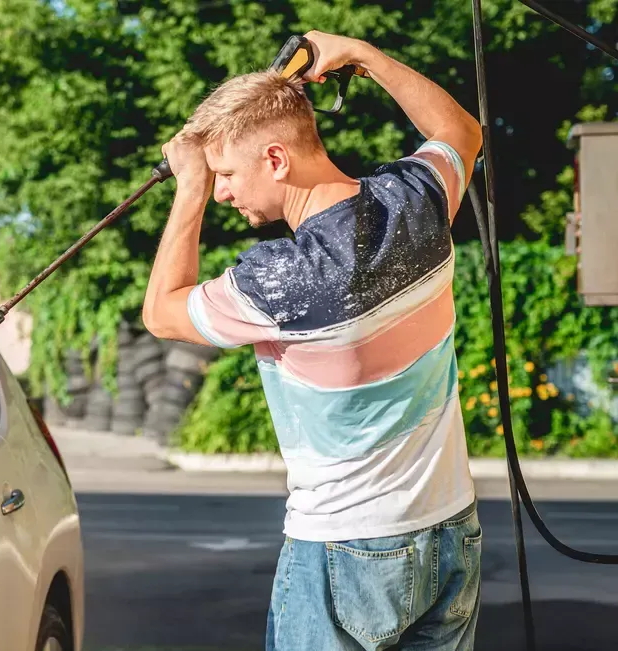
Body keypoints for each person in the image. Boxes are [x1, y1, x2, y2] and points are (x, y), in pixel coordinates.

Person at [142, 30, 484, 651]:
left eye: (223, 174)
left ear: (275, 159)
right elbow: (462, 130)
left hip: (344, 551)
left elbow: (162, 314)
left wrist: (185, 188)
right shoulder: (414, 201)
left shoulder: (282, 280)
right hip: (451, 531)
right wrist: (363, 55)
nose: (221, 192)